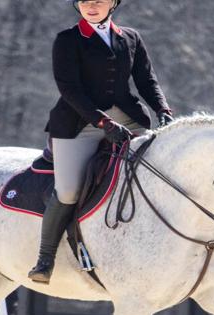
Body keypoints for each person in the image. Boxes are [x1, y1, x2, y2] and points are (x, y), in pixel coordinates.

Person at [29, 0, 176, 283]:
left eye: (99, 0)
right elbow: (69, 88)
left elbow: (147, 80)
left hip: (129, 118)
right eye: (85, 1)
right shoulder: (68, 40)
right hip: (80, 122)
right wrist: (103, 122)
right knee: (69, 191)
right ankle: (45, 258)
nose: (91, 6)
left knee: (162, 169)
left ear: (113, 3)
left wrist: (163, 110)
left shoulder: (130, 38)